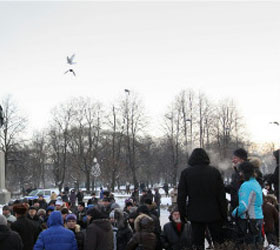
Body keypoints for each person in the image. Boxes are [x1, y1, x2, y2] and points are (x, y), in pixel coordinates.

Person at [177, 148, 227, 249]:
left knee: (198, 242)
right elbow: (221, 196)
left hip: (195, 213)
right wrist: (224, 213)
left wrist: (183, 214)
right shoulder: (214, 172)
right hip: (214, 212)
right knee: (218, 241)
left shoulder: (186, 173)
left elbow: (181, 196)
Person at [232, 161, 264, 248]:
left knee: (248, 245)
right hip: (258, 218)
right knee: (257, 245)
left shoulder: (246, 185)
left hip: (249, 221)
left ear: (244, 172)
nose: (239, 174)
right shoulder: (256, 183)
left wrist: (233, 213)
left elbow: (244, 206)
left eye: (240, 171)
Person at [226, 148, 248, 213]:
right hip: (236, 207)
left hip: (244, 209)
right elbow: (234, 188)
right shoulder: (236, 173)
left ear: (242, 159)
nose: (233, 160)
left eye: (235, 158)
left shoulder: (248, 172)